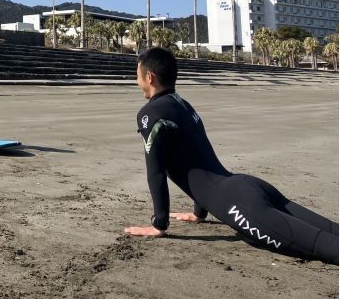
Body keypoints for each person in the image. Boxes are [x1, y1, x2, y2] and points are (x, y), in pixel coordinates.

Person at [124, 47, 338, 264]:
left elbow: (156, 173)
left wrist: (159, 224)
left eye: (137, 75)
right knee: (331, 229)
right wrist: (199, 213)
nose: (136, 81)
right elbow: (198, 156)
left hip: (238, 203)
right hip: (247, 184)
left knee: (326, 246)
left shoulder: (150, 114)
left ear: (149, 77)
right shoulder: (183, 105)